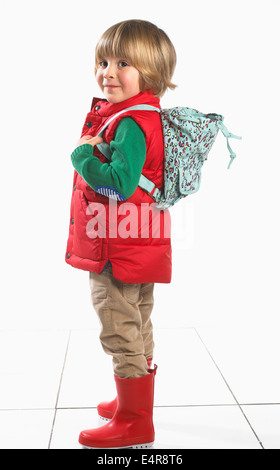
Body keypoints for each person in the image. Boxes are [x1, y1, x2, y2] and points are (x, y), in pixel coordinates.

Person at [65, 19, 177, 449]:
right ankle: (133, 401)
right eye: (103, 61)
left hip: (117, 242)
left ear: (150, 74)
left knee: (118, 323)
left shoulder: (130, 122)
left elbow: (119, 183)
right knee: (137, 317)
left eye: (123, 63)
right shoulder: (143, 114)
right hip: (138, 238)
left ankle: (134, 420)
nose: (107, 71)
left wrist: (81, 158)